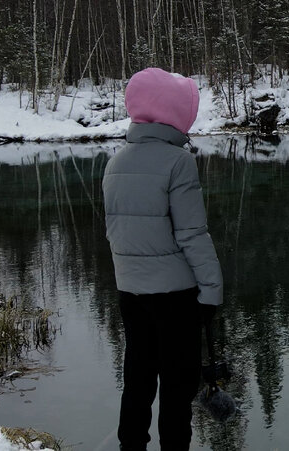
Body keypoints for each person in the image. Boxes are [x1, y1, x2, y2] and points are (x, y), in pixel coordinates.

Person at [103, 67, 223, 451]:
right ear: (176, 113)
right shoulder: (178, 162)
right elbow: (192, 234)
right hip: (175, 295)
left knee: (137, 376)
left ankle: (131, 446)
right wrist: (212, 291)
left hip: (130, 291)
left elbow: (116, 232)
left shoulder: (115, 161)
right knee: (178, 384)